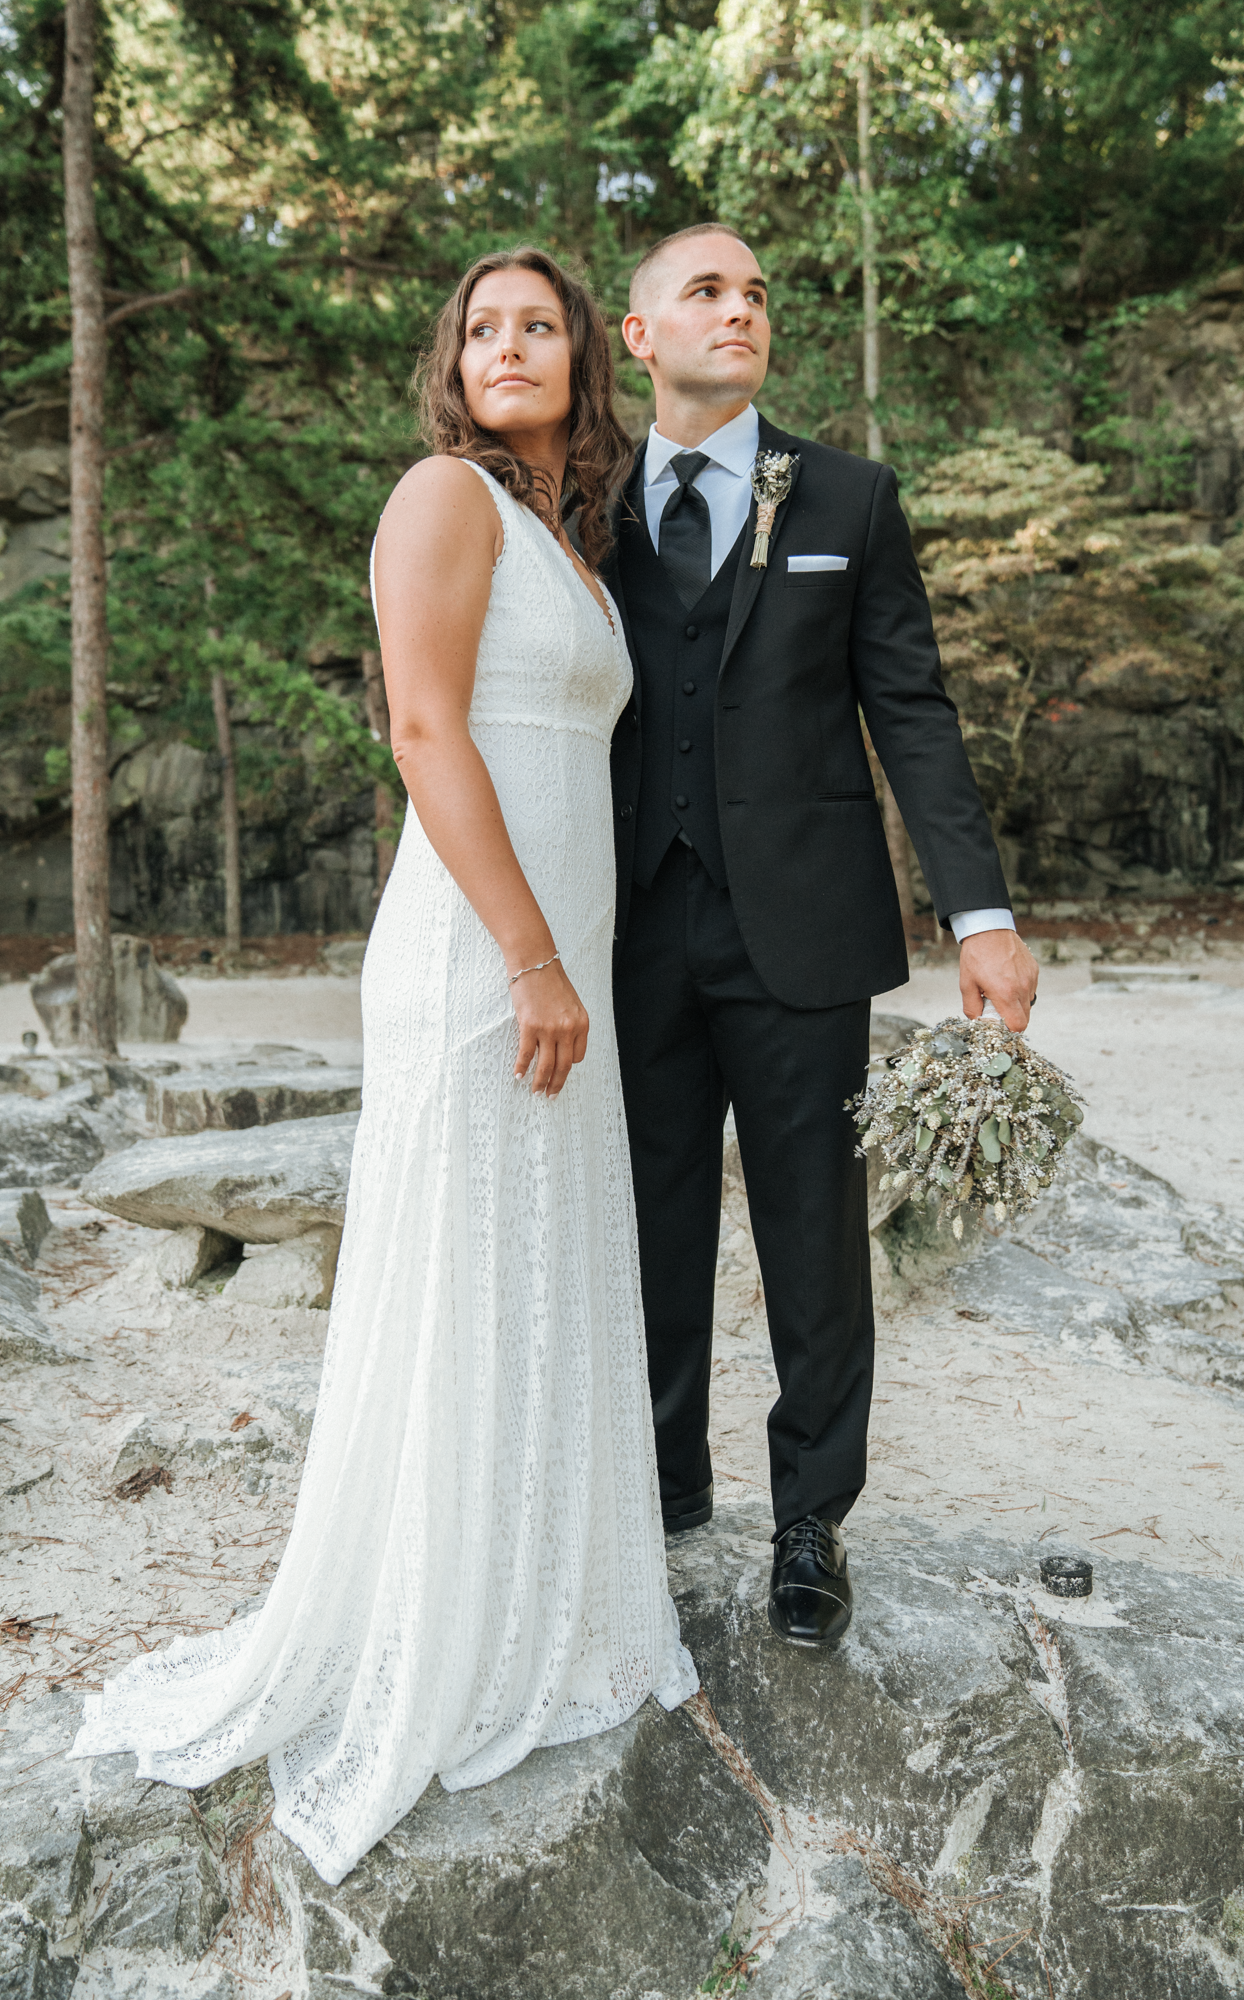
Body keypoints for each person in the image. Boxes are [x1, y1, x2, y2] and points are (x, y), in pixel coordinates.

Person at [69, 247, 697, 1886]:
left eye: (538, 325)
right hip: (484, 954)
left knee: (541, 1274)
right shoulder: (442, 498)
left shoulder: (573, 535)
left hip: (561, 952)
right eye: (481, 327)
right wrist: (535, 956)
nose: (508, 346)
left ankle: (543, 1597)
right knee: (465, 1276)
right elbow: (426, 735)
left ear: (582, 358)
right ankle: (441, 1616)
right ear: (453, 362)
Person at [603, 222, 1040, 1648]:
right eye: (707, 292)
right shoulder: (578, 503)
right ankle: (666, 1491)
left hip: (800, 925)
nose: (742, 313)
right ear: (639, 333)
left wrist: (981, 916)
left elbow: (909, 704)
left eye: (757, 296)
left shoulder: (847, 495)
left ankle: (810, 1523)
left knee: (811, 1232)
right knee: (647, 1224)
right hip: (625, 923)